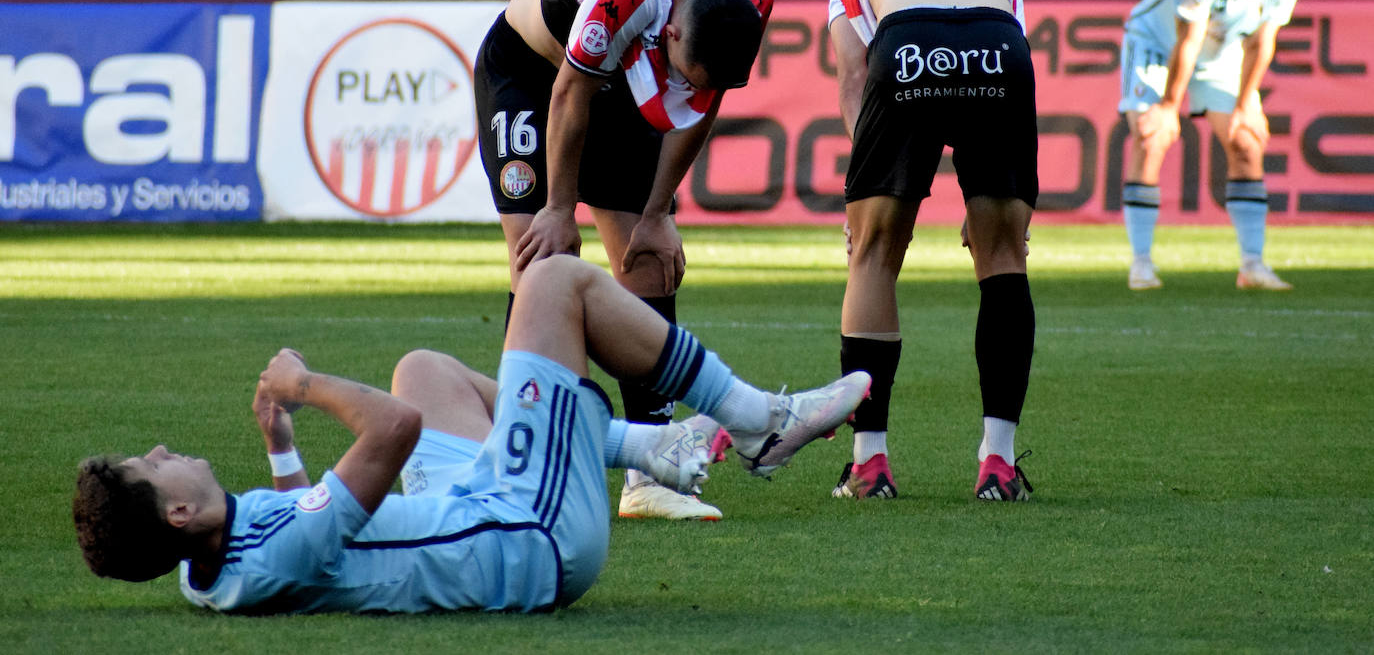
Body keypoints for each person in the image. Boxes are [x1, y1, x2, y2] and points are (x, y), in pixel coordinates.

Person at [72, 255, 870, 613]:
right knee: (554, 283)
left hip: (468, 507)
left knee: (423, 365)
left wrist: (282, 444)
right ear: (176, 514)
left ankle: (644, 449)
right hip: (529, 532)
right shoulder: (254, 558)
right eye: (151, 467)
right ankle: (760, 422)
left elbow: (312, 526)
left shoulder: (201, 571)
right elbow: (393, 430)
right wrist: (301, 387)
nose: (161, 451)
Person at [474, 0, 772, 521]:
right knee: (540, 261)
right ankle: (521, 462)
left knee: (649, 262)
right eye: (691, 71)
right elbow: (568, 93)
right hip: (536, 75)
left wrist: (659, 213)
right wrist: (559, 210)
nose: (698, 87)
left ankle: (649, 473)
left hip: (619, 76)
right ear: (675, 32)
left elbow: (701, 103)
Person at [825, 0, 1038, 503]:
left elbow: (854, 83)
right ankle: (999, 463)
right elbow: (983, 79)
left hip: (907, 43)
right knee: (1004, 255)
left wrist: (869, 183)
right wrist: (988, 208)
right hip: (999, 44)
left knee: (872, 257)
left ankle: (870, 465)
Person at [1118, 0, 1303, 291]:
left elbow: (1262, 41)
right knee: (1152, 137)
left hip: (1219, 54)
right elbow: (1188, 41)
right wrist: (1169, 108)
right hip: (1156, 45)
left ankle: (1252, 265)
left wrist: (1245, 104)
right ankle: (1141, 264)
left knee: (1246, 140)